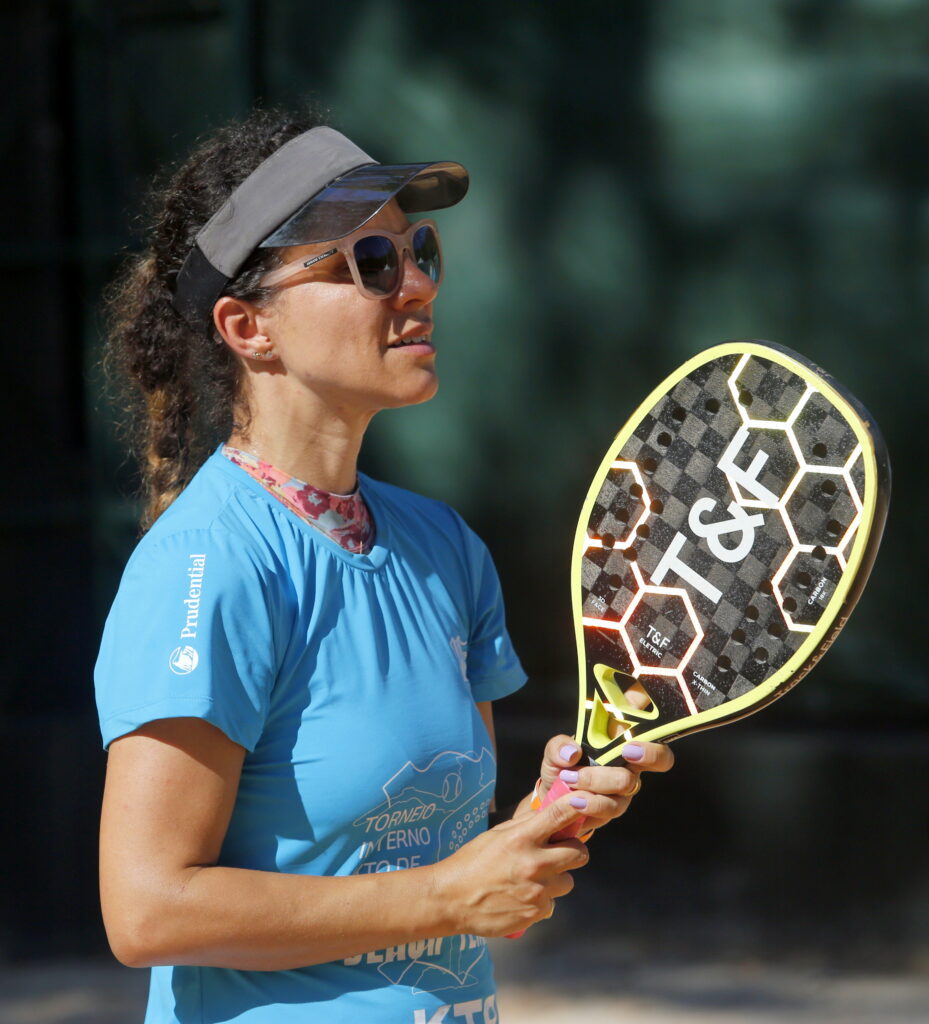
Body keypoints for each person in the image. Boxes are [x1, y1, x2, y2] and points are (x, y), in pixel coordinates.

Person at [95, 107, 674, 1024]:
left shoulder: (444, 547)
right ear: (250, 328)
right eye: (369, 264)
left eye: (420, 252)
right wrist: (447, 895)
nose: (415, 287)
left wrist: (538, 826)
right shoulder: (207, 565)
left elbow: (424, 859)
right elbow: (147, 910)